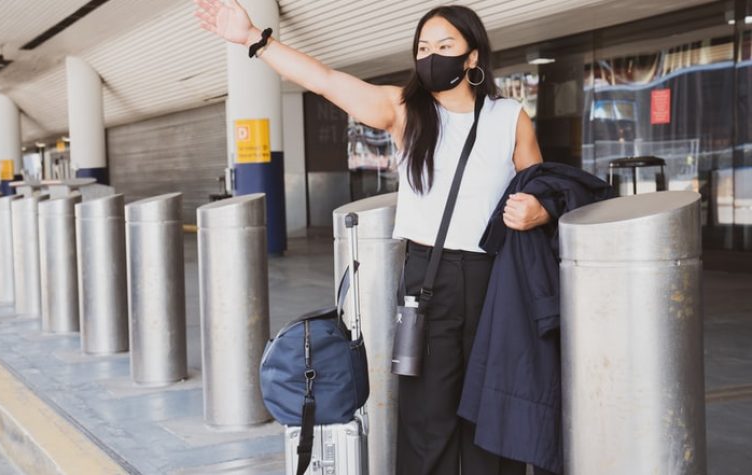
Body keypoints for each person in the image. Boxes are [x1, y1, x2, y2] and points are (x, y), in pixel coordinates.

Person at [196, 2, 552, 474]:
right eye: (423, 47)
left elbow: (542, 188)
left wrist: (538, 210)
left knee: (493, 412)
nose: (431, 56)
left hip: (496, 278)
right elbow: (324, 80)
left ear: (472, 57)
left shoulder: (509, 117)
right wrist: (254, 41)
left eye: (445, 46)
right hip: (430, 280)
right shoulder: (404, 110)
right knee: (428, 419)